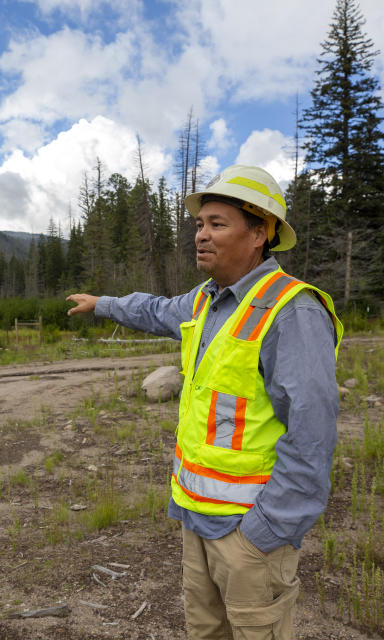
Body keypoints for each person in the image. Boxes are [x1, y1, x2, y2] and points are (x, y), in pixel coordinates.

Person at [66, 164, 343, 640]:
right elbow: (155, 309)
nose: (202, 235)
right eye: (199, 224)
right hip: (195, 518)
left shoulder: (291, 309)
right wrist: (104, 304)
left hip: (250, 533)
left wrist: (266, 533)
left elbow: (312, 434)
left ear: (260, 232)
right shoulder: (205, 300)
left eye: (218, 224)